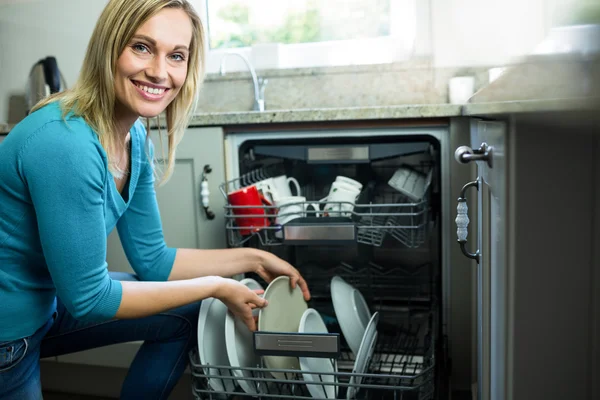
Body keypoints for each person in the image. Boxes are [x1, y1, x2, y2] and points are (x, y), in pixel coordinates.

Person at [0, 1, 310, 399]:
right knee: (201, 298)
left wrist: (253, 258)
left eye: (176, 55)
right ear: (108, 48)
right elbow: (90, 299)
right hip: (11, 329)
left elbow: (153, 260)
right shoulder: (67, 143)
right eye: (142, 47)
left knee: (188, 314)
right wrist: (215, 285)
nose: (160, 72)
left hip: (51, 302)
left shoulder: (135, 138)